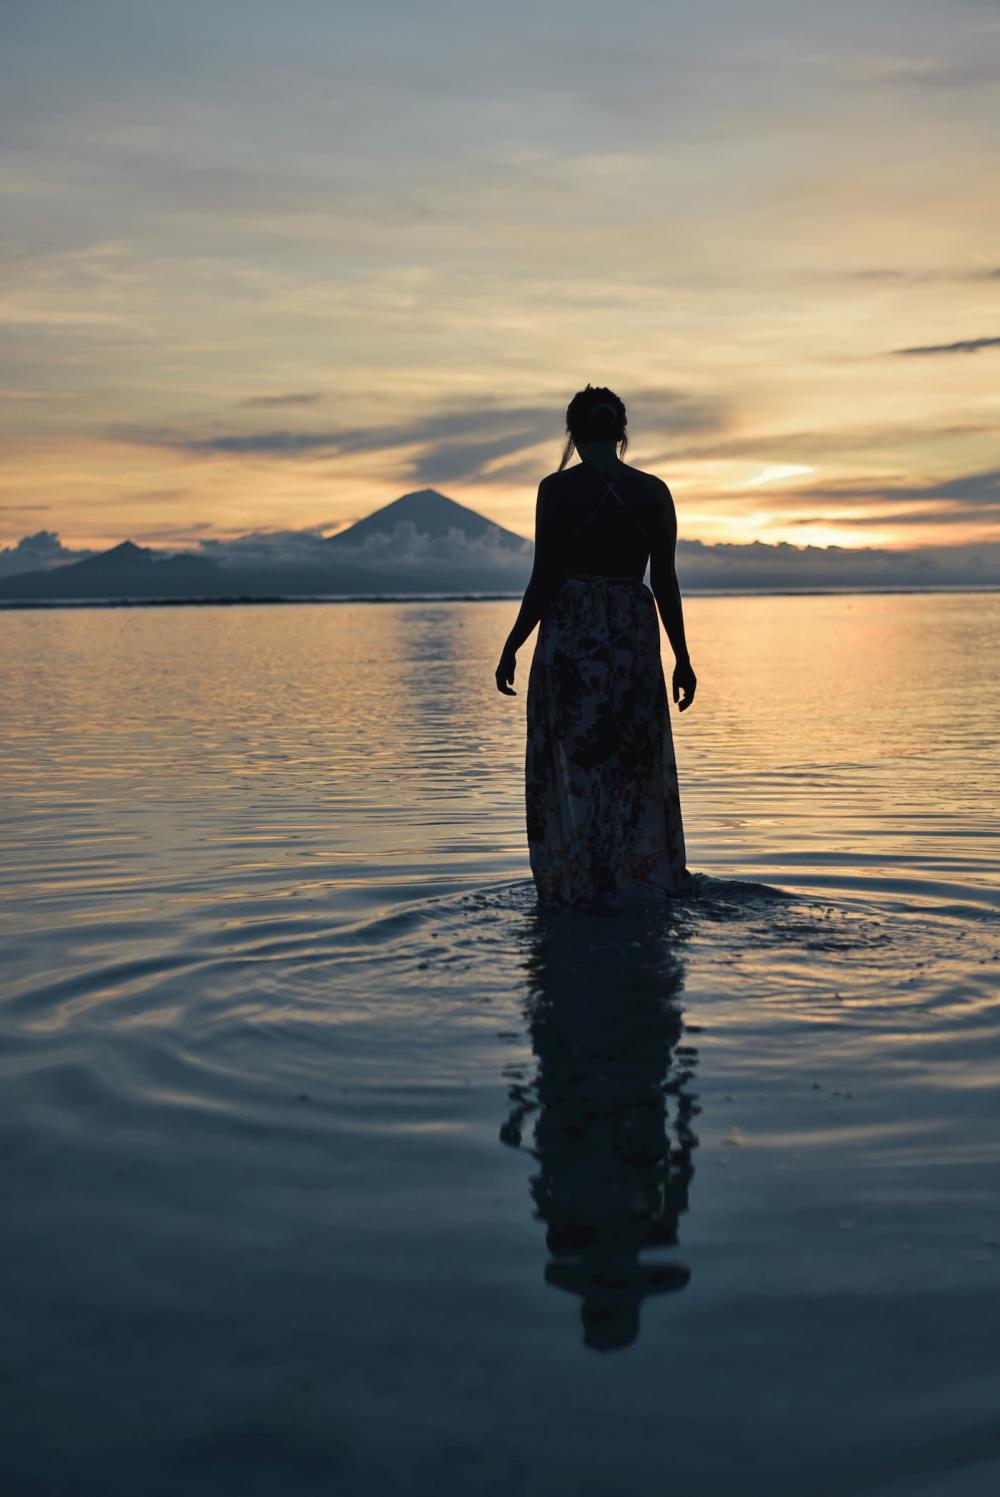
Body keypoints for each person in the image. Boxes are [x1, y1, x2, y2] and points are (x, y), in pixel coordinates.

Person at [495, 385, 696, 908]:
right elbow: (667, 583)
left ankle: (580, 880)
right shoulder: (653, 492)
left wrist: (512, 644)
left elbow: (543, 577)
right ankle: (636, 875)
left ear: (575, 435)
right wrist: (683, 658)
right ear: (621, 433)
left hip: (572, 632)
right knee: (632, 757)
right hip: (633, 631)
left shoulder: (557, 491)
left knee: (573, 759)